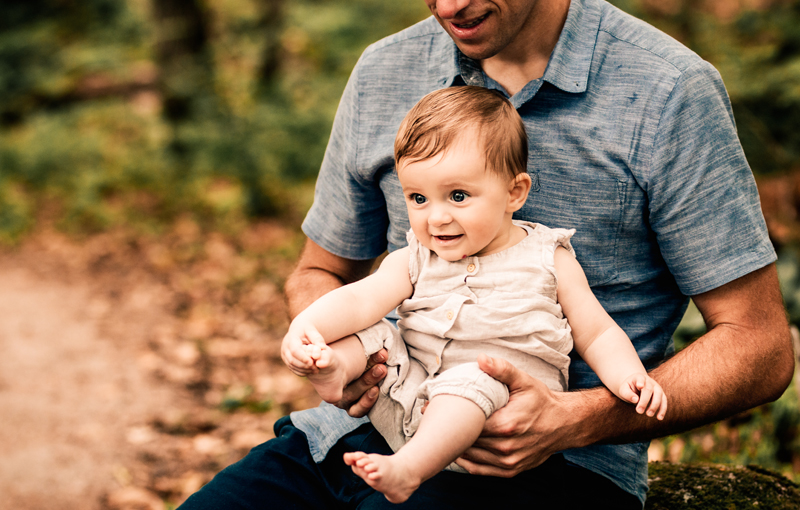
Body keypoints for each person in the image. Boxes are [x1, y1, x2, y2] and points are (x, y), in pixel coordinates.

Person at [180, 0, 794, 508]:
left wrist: (581, 416)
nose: (450, 5)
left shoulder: (668, 91)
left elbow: (761, 345)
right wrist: (336, 355)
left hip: (547, 470)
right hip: (353, 432)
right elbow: (323, 272)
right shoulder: (383, 71)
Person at [280, 86, 667, 504]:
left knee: (474, 378)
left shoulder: (547, 256)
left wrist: (630, 378)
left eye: (458, 196)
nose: (437, 217)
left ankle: (410, 469)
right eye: (418, 198)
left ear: (514, 192)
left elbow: (596, 333)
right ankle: (333, 367)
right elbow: (358, 300)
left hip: (495, 421)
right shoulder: (415, 256)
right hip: (406, 401)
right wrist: (308, 329)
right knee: (374, 333)